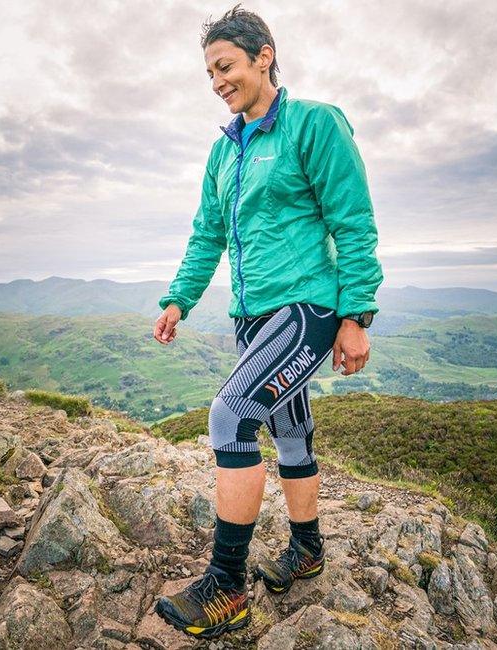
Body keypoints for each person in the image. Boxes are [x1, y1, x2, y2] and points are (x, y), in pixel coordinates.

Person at [151, 5, 383, 640]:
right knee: (291, 432)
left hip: (307, 308)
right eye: (208, 73)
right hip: (253, 317)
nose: (217, 81)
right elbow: (207, 236)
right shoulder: (224, 152)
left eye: (225, 66)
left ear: (264, 56)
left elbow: (353, 223)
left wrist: (357, 313)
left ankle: (226, 587)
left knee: (231, 416)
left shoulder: (314, 125)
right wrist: (179, 299)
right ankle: (308, 550)